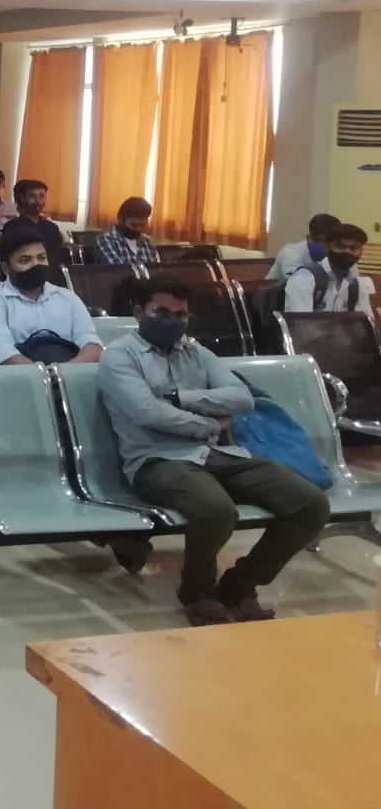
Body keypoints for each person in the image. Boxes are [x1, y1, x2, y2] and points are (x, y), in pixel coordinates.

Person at [98, 280, 330, 626]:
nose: (172, 321)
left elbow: (241, 398)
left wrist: (180, 399)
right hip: (156, 461)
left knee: (311, 505)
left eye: (180, 314)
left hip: (219, 454)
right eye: (161, 313)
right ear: (138, 313)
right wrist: (210, 424)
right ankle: (197, 592)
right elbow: (146, 412)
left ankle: (240, 584)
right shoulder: (118, 356)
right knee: (216, 509)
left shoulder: (196, 352)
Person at [0, 225, 101, 365]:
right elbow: (4, 355)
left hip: (70, 378)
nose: (36, 264)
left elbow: (92, 344)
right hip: (18, 382)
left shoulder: (68, 298)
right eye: (25, 260)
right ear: (6, 268)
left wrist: (64, 375)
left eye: (41, 258)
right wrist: (49, 378)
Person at [284, 223, 376, 317]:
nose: (347, 252)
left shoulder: (358, 285)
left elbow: (367, 325)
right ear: (326, 247)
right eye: (340, 246)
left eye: (353, 248)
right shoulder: (303, 279)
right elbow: (301, 326)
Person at [267, 213, 342, 281]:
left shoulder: (335, 255)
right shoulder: (290, 252)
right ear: (309, 238)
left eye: (328, 242)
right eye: (318, 240)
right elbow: (296, 283)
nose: (322, 245)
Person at [12, 179, 70, 261]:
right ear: (22, 198)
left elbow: (59, 255)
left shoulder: (51, 227)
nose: (37, 201)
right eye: (32, 196)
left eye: (41, 196)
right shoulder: (12, 227)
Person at [94, 197, 160, 265]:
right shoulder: (106, 240)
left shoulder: (147, 242)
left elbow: (156, 269)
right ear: (120, 219)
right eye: (134, 225)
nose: (139, 229)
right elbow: (119, 270)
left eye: (142, 225)